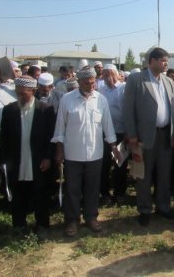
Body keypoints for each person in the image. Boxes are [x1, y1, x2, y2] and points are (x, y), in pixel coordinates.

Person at [52, 67, 119, 237]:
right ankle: (72, 220)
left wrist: (113, 147)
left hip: (95, 153)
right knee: (72, 188)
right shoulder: (67, 99)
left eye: (93, 82)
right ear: (79, 82)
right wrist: (59, 151)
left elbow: (108, 125)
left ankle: (91, 217)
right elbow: (60, 127)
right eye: (87, 83)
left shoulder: (101, 100)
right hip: (72, 153)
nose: (91, 86)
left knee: (92, 187)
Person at [123, 47, 174, 226]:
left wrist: (173, 133)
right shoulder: (136, 79)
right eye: (163, 60)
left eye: (166, 61)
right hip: (144, 137)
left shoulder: (169, 81)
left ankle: (163, 207)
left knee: (164, 174)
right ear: (151, 61)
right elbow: (128, 109)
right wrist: (131, 135)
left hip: (165, 136)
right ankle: (144, 209)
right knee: (143, 175)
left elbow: (172, 110)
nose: (166, 64)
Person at [0, 76, 55, 239]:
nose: (20, 97)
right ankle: (19, 225)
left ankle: (43, 225)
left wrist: (48, 157)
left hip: (38, 160)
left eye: (24, 94)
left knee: (40, 194)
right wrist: (4, 160)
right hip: (16, 160)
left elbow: (51, 137)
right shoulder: (9, 110)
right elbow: (4, 138)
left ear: (33, 91)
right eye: (18, 93)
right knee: (18, 194)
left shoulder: (45, 109)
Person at [98, 64, 127, 204]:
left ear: (117, 74)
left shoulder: (124, 88)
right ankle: (104, 193)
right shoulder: (100, 90)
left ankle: (120, 193)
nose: (108, 77)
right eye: (105, 74)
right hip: (104, 134)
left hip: (121, 132)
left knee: (120, 165)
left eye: (110, 73)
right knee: (104, 165)